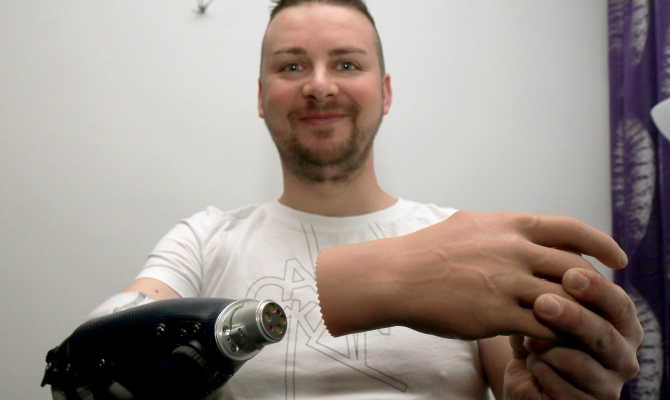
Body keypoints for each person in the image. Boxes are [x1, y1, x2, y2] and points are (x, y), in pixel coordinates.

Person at [69, 1, 643, 399]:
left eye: (346, 63)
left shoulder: (465, 241)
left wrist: (561, 383)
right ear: (261, 98)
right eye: (292, 66)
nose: (320, 85)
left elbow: (532, 378)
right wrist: (389, 279)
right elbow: (86, 367)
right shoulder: (203, 241)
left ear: (385, 92)